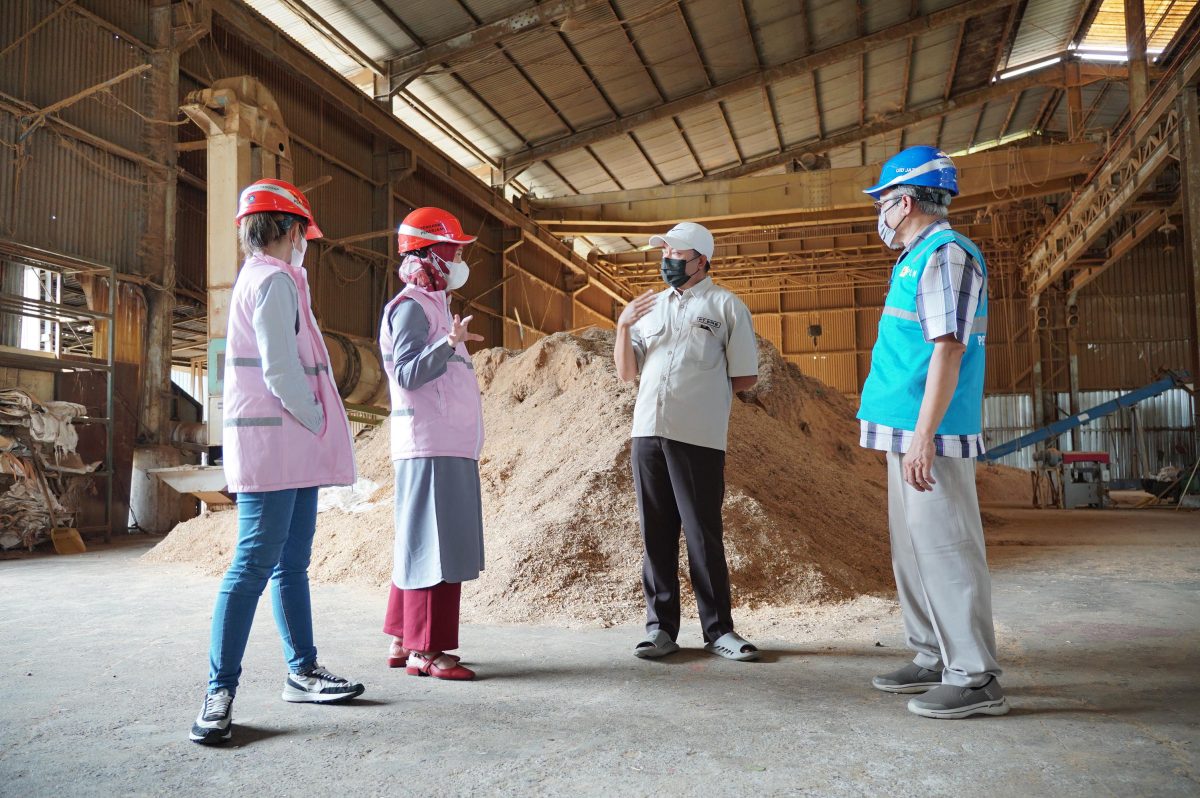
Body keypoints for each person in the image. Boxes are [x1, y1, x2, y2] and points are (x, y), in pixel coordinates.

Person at [190, 178, 363, 746]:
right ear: (290, 230)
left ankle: (303, 671)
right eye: (303, 232)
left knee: (290, 564)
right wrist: (318, 421)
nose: (304, 242)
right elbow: (281, 370)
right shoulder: (273, 281)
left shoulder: (268, 278)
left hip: (288, 452)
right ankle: (219, 692)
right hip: (278, 449)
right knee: (252, 568)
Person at [859, 146, 1008, 719]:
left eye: (883, 201)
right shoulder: (916, 257)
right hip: (905, 430)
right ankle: (932, 656)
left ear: (905, 201)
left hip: (932, 435)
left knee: (948, 551)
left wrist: (923, 436)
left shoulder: (946, 256)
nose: (880, 212)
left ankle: (975, 676)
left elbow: (949, 349)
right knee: (914, 551)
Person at [613, 221, 761, 662]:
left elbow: (745, 376)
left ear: (702, 260)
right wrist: (622, 327)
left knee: (702, 535)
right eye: (664, 254)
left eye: (677, 254)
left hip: (697, 436)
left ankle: (719, 631)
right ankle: (660, 630)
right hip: (647, 433)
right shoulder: (650, 308)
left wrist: (701, 395)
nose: (668, 261)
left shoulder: (726, 306)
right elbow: (626, 372)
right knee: (655, 535)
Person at [378, 207, 484, 682]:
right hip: (431, 443)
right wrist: (448, 344)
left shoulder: (433, 304)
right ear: (429, 255)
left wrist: (450, 340)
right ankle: (427, 650)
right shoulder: (411, 307)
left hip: (443, 441)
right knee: (435, 546)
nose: (460, 260)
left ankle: (403, 637)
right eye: (453, 251)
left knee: (423, 540)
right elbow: (406, 372)